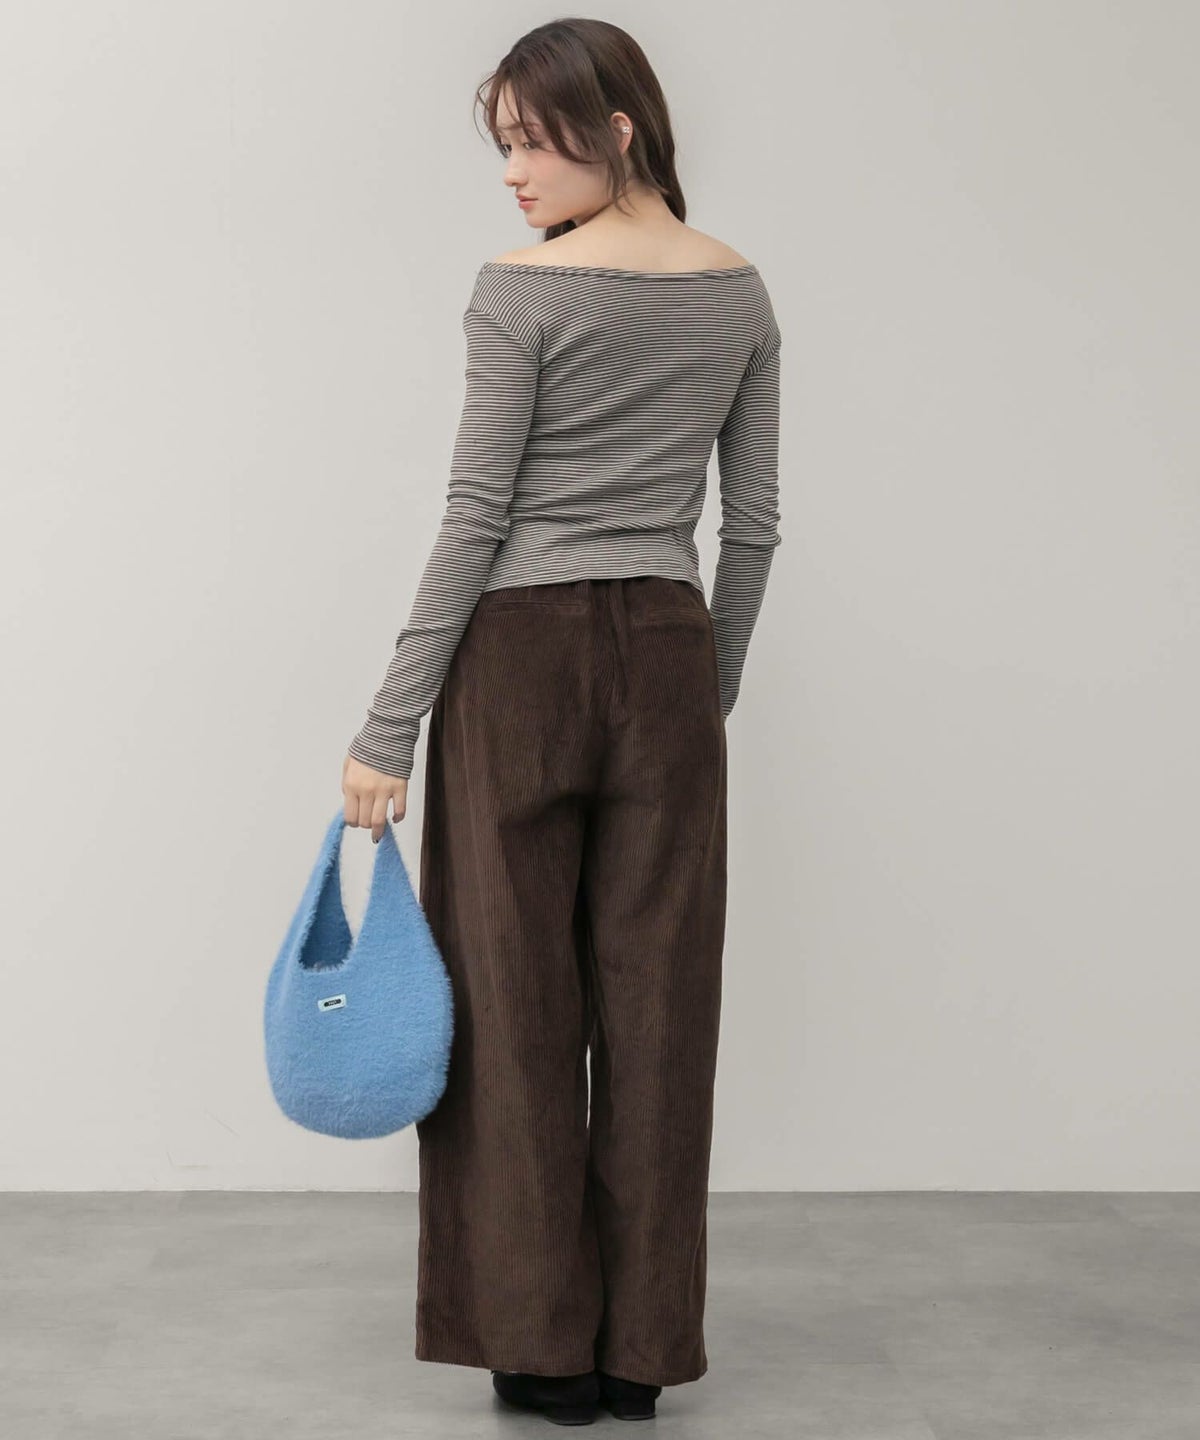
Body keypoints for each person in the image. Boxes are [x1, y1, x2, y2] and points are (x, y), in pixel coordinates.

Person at [342, 17, 782, 1427]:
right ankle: (640, 1353)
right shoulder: (739, 292)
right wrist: (701, 690)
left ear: (619, 130)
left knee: (514, 1005)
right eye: (505, 148)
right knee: (661, 1009)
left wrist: (387, 726)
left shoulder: (518, 290)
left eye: (534, 143)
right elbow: (754, 525)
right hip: (664, 652)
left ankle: (540, 1351)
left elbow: (478, 515)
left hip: (519, 665)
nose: (514, 175)